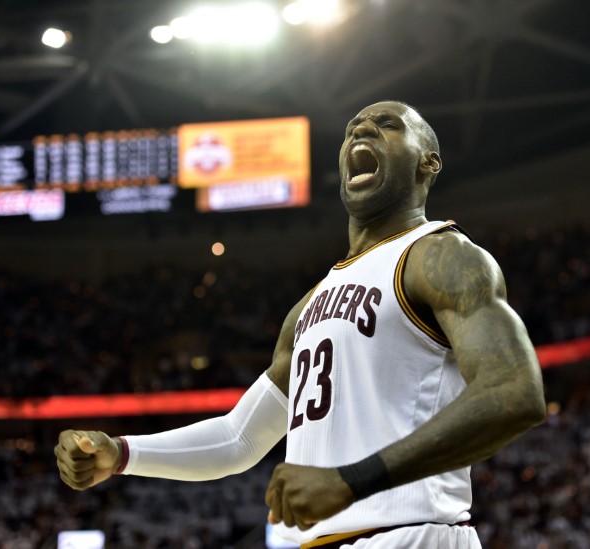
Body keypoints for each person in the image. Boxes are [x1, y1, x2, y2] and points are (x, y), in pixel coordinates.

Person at [55, 101, 546, 548]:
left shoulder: (441, 255)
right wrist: (120, 453)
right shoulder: (308, 306)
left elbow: (515, 393)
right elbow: (238, 438)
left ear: (428, 163)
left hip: (409, 534)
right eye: (353, 127)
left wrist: (351, 479)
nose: (363, 130)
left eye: (388, 125)